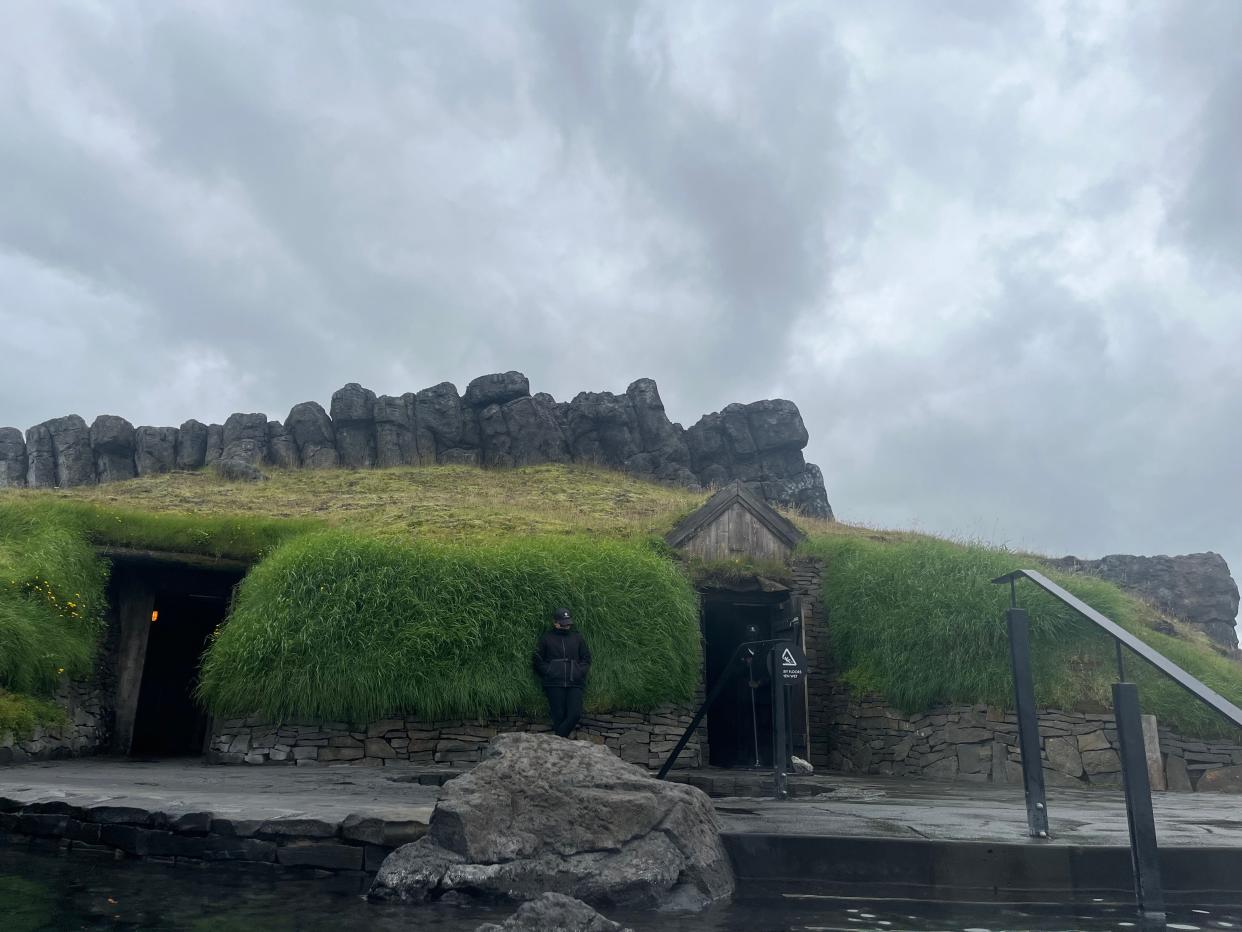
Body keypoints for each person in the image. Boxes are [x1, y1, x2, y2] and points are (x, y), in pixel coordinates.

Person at [532, 607, 592, 738]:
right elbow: (537, 659)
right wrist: (549, 671)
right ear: (555, 622)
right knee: (558, 717)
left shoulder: (577, 638)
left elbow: (586, 658)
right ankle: (560, 748)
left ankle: (556, 743)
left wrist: (579, 671)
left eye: (568, 622)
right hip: (553, 683)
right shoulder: (546, 639)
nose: (567, 625)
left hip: (575, 683)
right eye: (563, 622)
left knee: (574, 715)